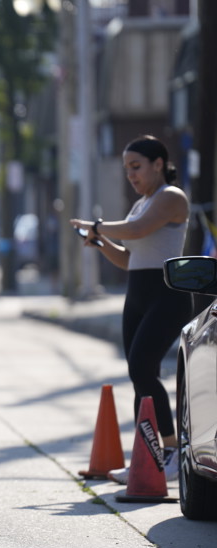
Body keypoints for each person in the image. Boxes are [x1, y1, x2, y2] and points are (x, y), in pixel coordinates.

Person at [70, 135, 193, 484]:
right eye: (127, 169)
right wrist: (100, 242)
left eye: (136, 167)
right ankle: (148, 456)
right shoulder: (140, 203)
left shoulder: (171, 197)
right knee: (140, 374)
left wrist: (96, 225)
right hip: (137, 294)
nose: (131, 175)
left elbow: (137, 231)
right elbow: (128, 259)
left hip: (166, 295)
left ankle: (171, 451)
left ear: (158, 164)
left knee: (142, 368)